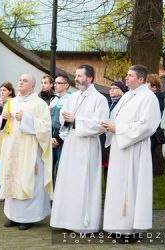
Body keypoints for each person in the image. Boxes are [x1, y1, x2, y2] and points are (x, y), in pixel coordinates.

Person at [102, 65, 161, 243]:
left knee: (130, 187)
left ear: (141, 79)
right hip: (120, 148)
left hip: (134, 149)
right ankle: (116, 225)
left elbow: (147, 125)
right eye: (127, 75)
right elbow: (117, 117)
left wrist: (118, 128)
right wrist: (109, 125)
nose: (126, 78)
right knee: (118, 188)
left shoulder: (148, 98)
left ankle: (130, 229)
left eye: (130, 76)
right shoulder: (127, 95)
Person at [50, 64, 109, 233]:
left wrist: (76, 120)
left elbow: (101, 124)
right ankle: (66, 220)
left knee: (84, 182)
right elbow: (63, 119)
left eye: (80, 76)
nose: (76, 79)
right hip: (71, 144)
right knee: (68, 181)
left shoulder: (99, 99)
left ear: (90, 78)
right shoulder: (72, 97)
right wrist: (67, 120)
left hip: (88, 145)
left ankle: (84, 223)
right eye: (75, 76)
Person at [0, 73, 52, 231]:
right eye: (20, 80)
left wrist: (27, 118)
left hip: (30, 150)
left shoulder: (39, 104)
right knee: (12, 177)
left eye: (25, 81)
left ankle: (28, 217)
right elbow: (3, 128)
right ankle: (13, 216)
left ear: (32, 86)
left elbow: (46, 127)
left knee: (27, 180)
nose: (21, 82)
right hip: (12, 148)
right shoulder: (11, 102)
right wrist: (3, 118)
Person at [100, 80, 128, 186]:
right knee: (107, 164)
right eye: (110, 89)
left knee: (116, 165)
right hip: (106, 136)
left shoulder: (124, 103)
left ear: (122, 91)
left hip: (117, 136)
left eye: (114, 88)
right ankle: (107, 188)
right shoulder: (108, 102)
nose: (111, 91)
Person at [49, 73, 71, 185]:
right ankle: (51, 197)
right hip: (50, 138)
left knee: (61, 168)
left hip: (62, 139)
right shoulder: (53, 99)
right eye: (55, 83)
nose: (55, 85)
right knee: (49, 168)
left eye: (59, 83)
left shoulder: (70, 99)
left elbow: (68, 122)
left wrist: (58, 138)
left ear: (66, 85)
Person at [147, 74, 165, 176]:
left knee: (148, 155)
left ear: (154, 87)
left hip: (153, 133)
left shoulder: (159, 97)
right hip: (147, 131)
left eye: (148, 85)